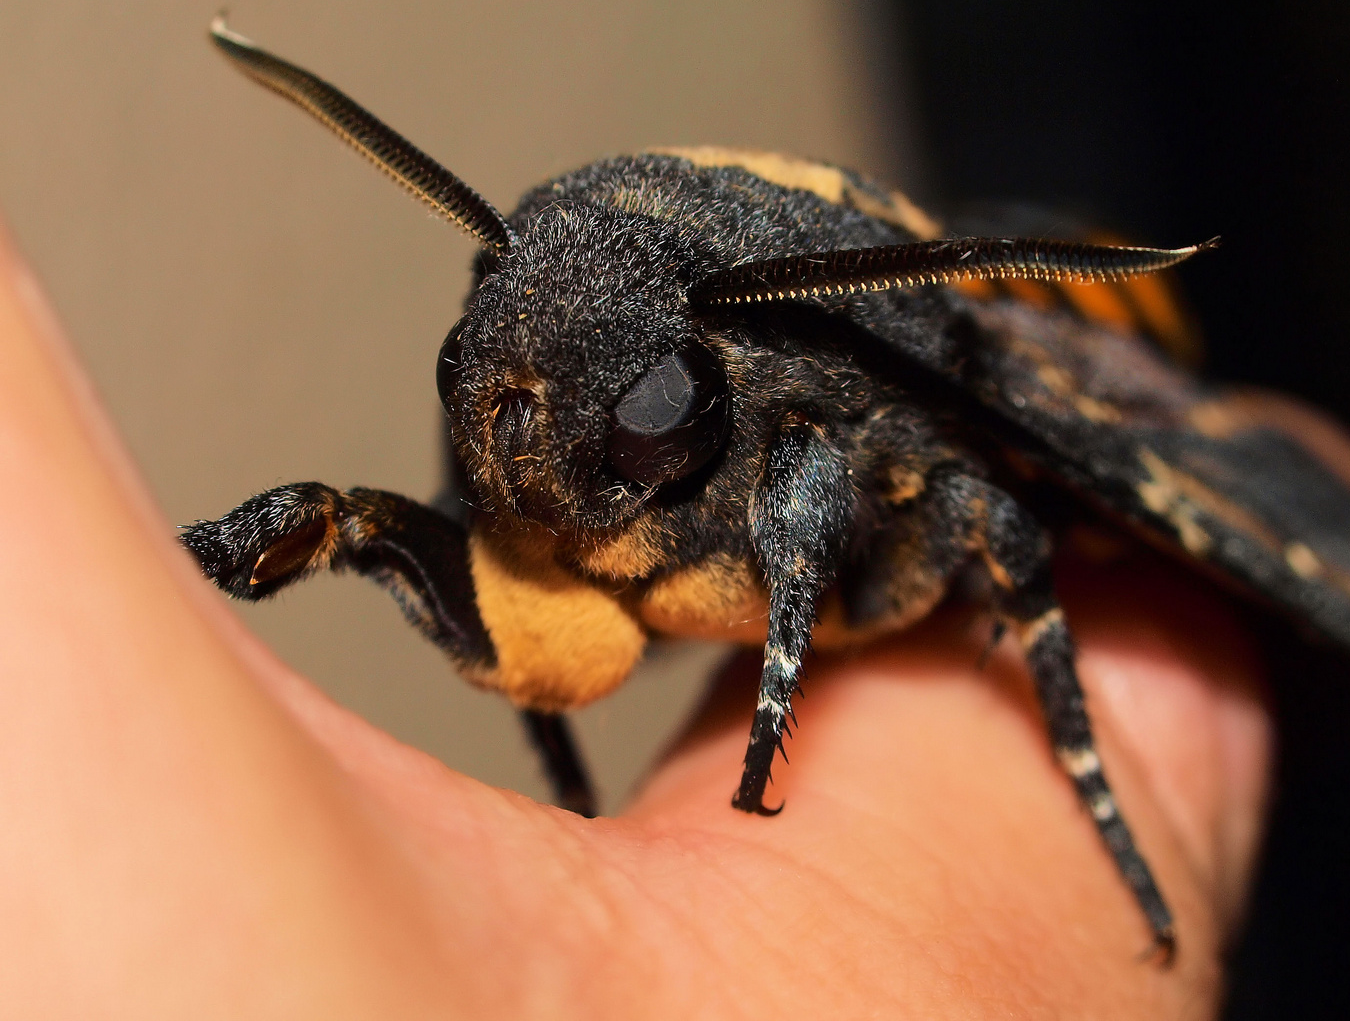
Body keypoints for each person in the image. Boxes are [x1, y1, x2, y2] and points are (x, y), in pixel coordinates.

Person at [0, 222, 1270, 1018]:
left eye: (637, 415)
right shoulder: (585, 440)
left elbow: (989, 516)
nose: (522, 462)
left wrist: (793, 674)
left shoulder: (797, 409)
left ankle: (1089, 769)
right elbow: (545, 632)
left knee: (1000, 514)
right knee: (363, 516)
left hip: (1062, 320)